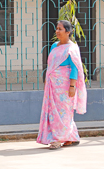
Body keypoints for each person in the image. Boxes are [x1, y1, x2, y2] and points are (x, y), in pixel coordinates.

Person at [36, 20, 87, 150]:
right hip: (53, 86)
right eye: (57, 28)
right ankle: (72, 137)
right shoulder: (54, 46)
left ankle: (58, 139)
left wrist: (72, 86)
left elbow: (75, 68)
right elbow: (51, 66)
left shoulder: (72, 48)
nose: (57, 31)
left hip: (64, 86)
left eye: (60, 29)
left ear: (68, 32)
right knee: (54, 112)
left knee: (63, 112)